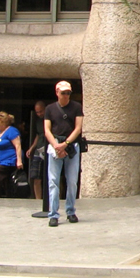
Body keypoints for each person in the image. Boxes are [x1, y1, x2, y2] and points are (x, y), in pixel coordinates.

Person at [44, 80, 85, 227]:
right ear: (57, 92)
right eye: (63, 93)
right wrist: (56, 146)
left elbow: (78, 128)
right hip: (56, 144)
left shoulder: (76, 107)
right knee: (53, 181)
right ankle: (53, 213)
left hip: (71, 145)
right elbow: (47, 129)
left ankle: (70, 210)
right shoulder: (50, 108)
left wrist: (65, 144)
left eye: (68, 93)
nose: (66, 95)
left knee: (72, 181)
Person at [25, 100, 48, 200]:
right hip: (39, 148)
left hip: (49, 148)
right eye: (37, 112)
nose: (39, 114)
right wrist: (32, 148)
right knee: (35, 176)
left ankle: (55, 198)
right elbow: (38, 135)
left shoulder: (51, 119)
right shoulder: (38, 121)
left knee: (53, 176)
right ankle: (38, 199)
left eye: (41, 111)